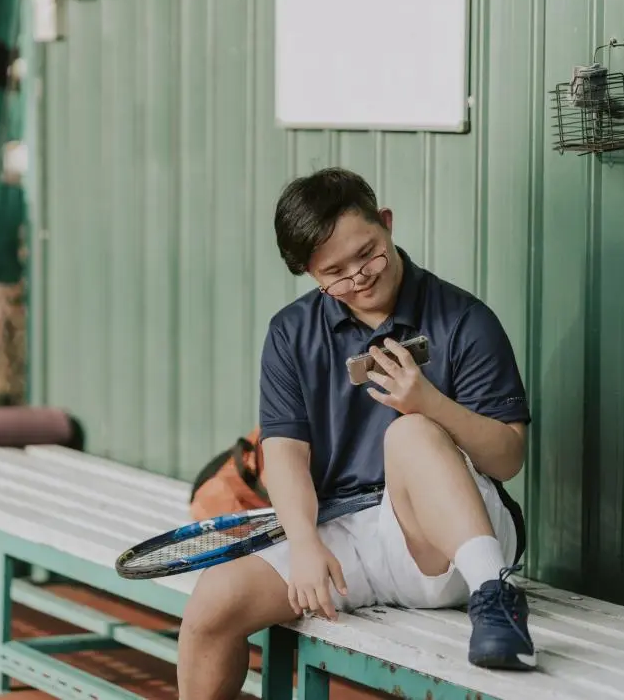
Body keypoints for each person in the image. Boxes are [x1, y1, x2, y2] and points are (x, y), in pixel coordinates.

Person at [176, 167, 536, 699]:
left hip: (454, 539)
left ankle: (498, 598)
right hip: (349, 531)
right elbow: (285, 455)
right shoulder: (291, 333)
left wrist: (430, 404)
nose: (359, 277)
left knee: (409, 435)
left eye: (368, 253)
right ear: (310, 274)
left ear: (387, 224)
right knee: (213, 602)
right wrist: (302, 543)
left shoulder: (464, 319)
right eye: (336, 273)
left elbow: (508, 459)